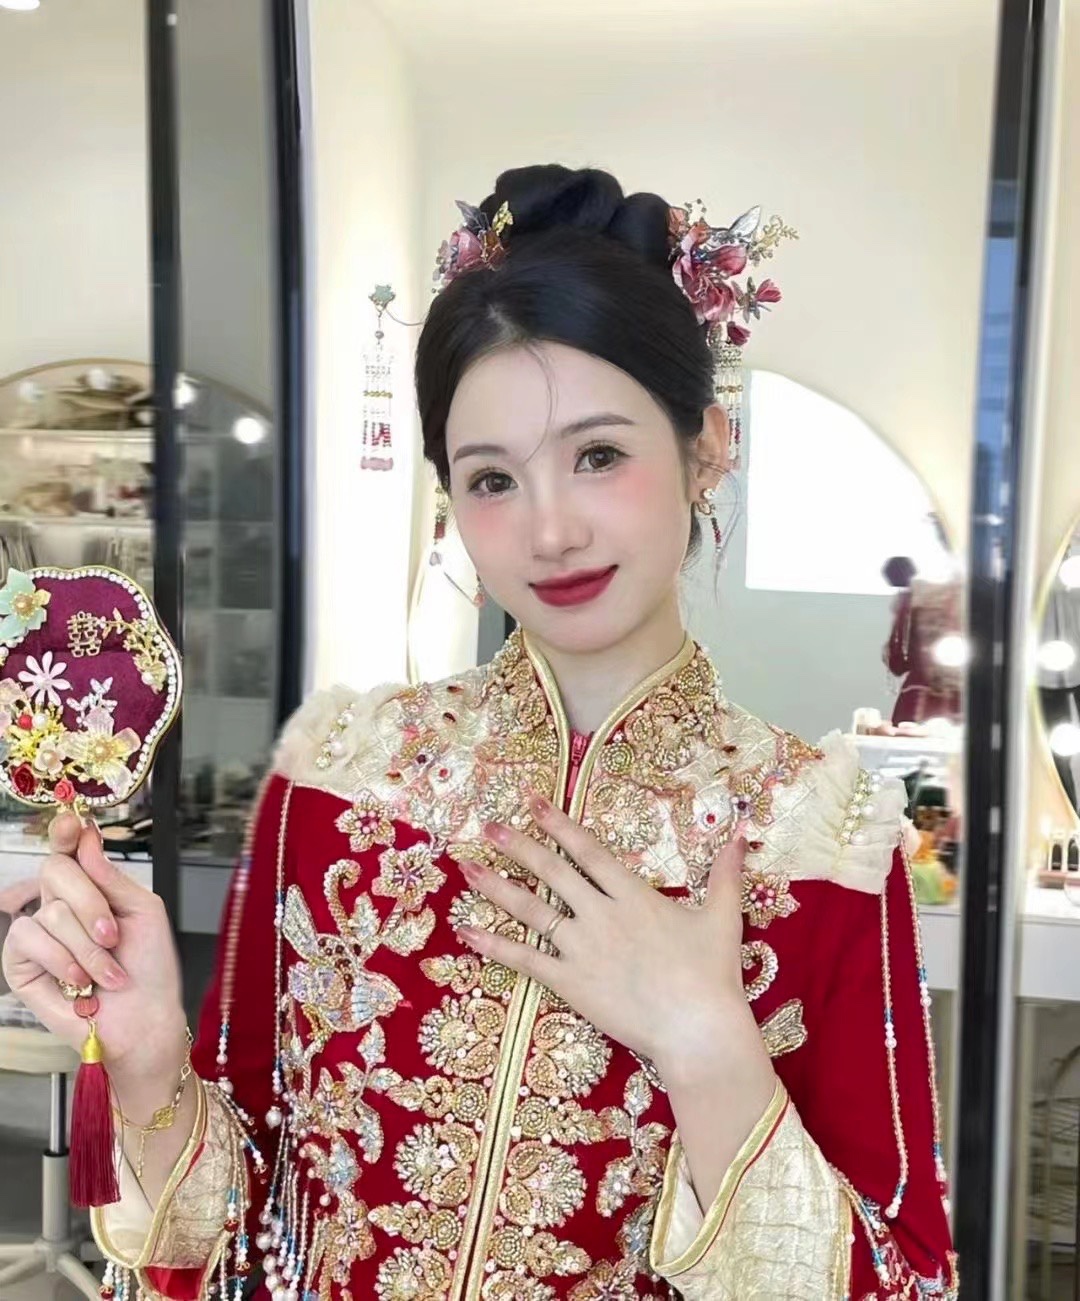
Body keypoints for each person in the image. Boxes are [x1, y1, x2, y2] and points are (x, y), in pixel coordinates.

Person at [2, 165, 957, 1300]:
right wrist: (151, 1058)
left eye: (598, 455)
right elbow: (249, 1222)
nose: (549, 531)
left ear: (706, 445)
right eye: (492, 478)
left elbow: (902, 1279)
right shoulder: (343, 776)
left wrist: (706, 1045)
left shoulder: (818, 839)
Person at [882, 555, 963, 727]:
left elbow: (896, 662)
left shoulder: (910, 598)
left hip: (917, 700)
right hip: (965, 700)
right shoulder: (983, 595)